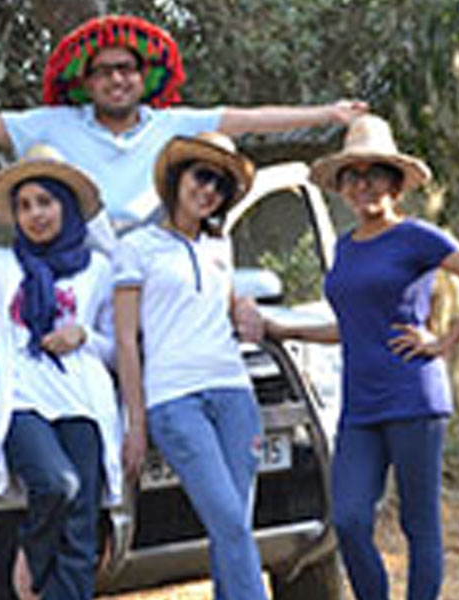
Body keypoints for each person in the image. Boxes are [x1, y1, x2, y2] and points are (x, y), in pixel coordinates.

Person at [0, 14, 367, 245]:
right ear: (87, 83)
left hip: (158, 252)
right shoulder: (55, 123)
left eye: (126, 69)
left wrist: (327, 113)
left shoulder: (172, 124)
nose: (117, 79)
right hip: (85, 261)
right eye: (104, 71)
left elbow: (249, 120)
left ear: (143, 78)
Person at [262, 114, 459, 600]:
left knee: (418, 523)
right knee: (348, 519)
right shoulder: (345, 248)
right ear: (342, 187)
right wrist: (286, 328)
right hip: (360, 406)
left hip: (414, 395)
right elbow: (352, 327)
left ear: (395, 184)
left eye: (375, 175)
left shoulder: (416, 237)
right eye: (353, 175)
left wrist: (444, 342)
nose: (364, 185)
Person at [0, 145, 122, 600]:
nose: (35, 214)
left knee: (81, 529)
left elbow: (118, 349)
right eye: (24, 206)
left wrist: (83, 337)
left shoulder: (98, 269)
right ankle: (31, 555)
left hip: (83, 399)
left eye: (45, 202)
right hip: (22, 397)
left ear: (66, 205)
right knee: (58, 485)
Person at [113, 131, 268, 600]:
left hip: (235, 394)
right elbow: (125, 339)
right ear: (178, 178)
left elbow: (221, 302)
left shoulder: (219, 248)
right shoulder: (137, 247)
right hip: (174, 400)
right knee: (228, 520)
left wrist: (244, 304)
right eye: (202, 176)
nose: (208, 191)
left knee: (234, 528)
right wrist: (135, 422)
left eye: (220, 185)